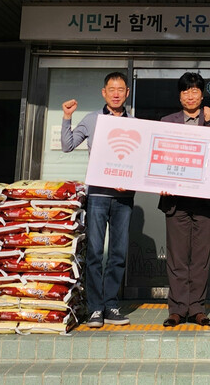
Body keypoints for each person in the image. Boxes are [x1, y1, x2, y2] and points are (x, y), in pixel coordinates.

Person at [61, 71, 134, 328]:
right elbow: (67, 145)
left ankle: (111, 305)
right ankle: (95, 308)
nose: (116, 93)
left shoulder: (135, 123)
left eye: (121, 89)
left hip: (124, 198)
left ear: (127, 93)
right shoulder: (93, 119)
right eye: (111, 89)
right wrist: (67, 117)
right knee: (93, 253)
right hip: (98, 196)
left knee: (118, 253)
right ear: (104, 92)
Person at [159, 72, 210, 327]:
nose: (190, 95)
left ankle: (197, 308)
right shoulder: (167, 121)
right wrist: (161, 183)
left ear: (202, 94)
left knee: (200, 258)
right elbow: (159, 157)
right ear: (180, 96)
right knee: (177, 257)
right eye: (185, 91)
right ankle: (177, 309)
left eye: (195, 91)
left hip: (204, 198)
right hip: (176, 199)